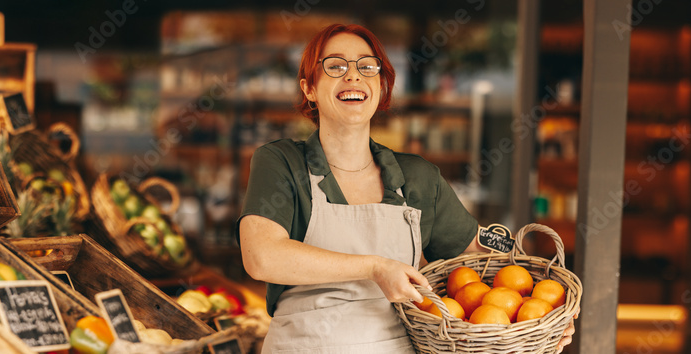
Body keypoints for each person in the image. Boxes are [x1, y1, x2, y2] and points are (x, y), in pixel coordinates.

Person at [237, 24, 576, 353]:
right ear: (309, 88)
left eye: (367, 66)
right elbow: (262, 257)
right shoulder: (281, 162)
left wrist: (544, 313)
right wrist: (374, 267)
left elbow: (483, 250)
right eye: (335, 65)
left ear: (381, 86)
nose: (353, 75)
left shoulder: (416, 177)